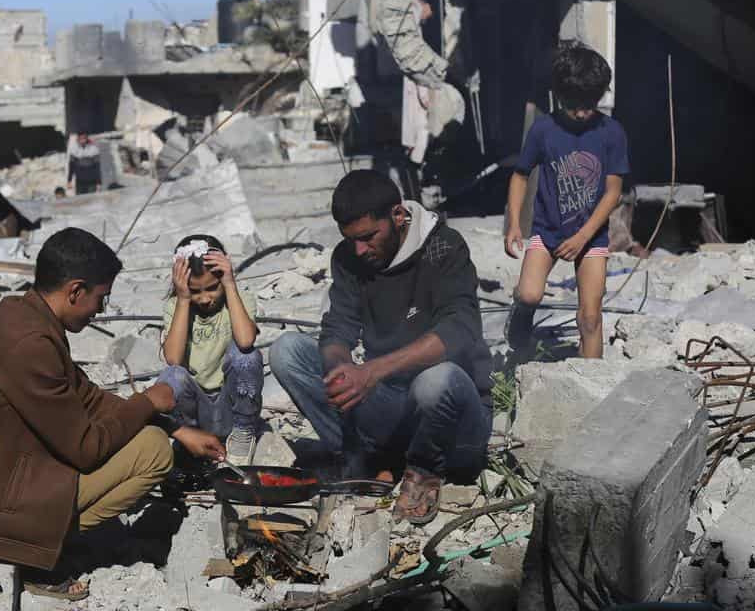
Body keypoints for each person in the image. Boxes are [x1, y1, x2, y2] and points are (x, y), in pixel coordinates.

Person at [0, 227, 223, 600]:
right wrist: (149, 402)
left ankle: (41, 537)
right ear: (75, 291)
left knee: (156, 437)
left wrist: (175, 428)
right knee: (153, 452)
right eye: (100, 299)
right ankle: (33, 555)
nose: (99, 311)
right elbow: (86, 448)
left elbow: (87, 397)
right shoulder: (31, 343)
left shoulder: (25, 315)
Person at [269, 170, 493, 525]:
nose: (360, 249)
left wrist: (371, 372)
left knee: (436, 381)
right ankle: (363, 460)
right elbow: (337, 328)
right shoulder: (349, 258)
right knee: (287, 352)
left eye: (369, 237)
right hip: (393, 408)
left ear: (398, 215)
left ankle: (423, 472)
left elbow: (460, 329)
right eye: (351, 239)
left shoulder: (444, 247)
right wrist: (341, 367)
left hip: (455, 427)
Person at [503, 44, 628, 359]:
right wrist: (515, 224)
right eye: (576, 106)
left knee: (589, 318)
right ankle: (519, 317)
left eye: (590, 104)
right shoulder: (543, 130)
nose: (584, 113)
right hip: (547, 231)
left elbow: (614, 191)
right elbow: (520, 175)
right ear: (559, 96)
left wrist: (583, 236)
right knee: (530, 294)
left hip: (590, 236)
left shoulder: (611, 132)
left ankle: (592, 387)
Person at [157, 235, 262, 465]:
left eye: (212, 288)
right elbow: (173, 359)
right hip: (196, 414)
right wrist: (184, 299)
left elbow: (245, 341)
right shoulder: (176, 307)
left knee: (248, 356)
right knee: (171, 376)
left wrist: (229, 285)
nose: (205, 298)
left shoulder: (240, 299)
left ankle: (243, 435)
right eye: (196, 291)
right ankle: (187, 441)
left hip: (231, 408)